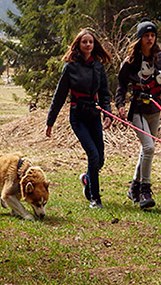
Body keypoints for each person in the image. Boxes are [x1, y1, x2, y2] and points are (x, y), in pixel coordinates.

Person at [115, 18, 161, 210]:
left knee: (146, 150)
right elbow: (121, 84)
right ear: (139, 38)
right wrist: (120, 104)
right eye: (146, 36)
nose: (150, 39)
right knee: (149, 148)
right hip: (137, 109)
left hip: (155, 109)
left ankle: (133, 188)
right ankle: (145, 189)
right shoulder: (130, 61)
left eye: (152, 35)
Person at [46, 28, 113, 209]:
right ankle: (95, 198)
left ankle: (86, 178)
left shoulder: (98, 67)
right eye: (84, 42)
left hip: (94, 115)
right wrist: (50, 122)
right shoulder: (70, 67)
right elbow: (59, 96)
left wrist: (108, 114)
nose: (88, 44)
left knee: (100, 160)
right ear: (78, 44)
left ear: (94, 44)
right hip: (78, 116)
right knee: (92, 155)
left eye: (90, 42)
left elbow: (104, 94)